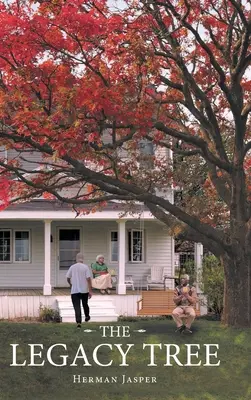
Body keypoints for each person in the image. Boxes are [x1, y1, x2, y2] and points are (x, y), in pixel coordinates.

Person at [66, 253, 92, 328]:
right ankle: (87, 316)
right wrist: (90, 290)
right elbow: (88, 279)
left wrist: (70, 284)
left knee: (77, 306)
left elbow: (68, 277)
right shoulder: (85, 267)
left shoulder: (72, 267)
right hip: (84, 290)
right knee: (85, 304)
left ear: (76, 259)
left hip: (74, 291)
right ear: (83, 259)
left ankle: (78, 322)